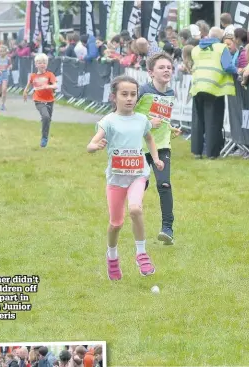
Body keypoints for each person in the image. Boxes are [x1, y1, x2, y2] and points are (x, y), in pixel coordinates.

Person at [87, 75, 164, 280]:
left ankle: (141, 254)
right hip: (116, 179)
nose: (129, 98)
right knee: (116, 224)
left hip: (138, 174)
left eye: (133, 94)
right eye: (124, 94)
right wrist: (95, 146)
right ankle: (112, 256)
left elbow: (149, 138)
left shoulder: (141, 119)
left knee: (136, 208)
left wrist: (155, 158)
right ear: (114, 97)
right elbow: (91, 144)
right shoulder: (108, 121)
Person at [134, 52, 182, 245]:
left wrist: (170, 128)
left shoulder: (170, 93)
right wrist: (147, 122)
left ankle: (167, 228)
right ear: (151, 72)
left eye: (169, 67)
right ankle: (129, 217)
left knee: (164, 184)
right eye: (161, 67)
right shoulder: (143, 91)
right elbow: (126, 114)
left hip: (162, 146)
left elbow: (161, 119)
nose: (166, 70)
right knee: (140, 185)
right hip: (140, 146)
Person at [189, 27, 237, 159]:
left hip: (197, 85)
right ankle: (212, 153)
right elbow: (227, 66)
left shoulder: (196, 49)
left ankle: (197, 152)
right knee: (213, 121)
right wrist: (239, 70)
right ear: (220, 38)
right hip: (214, 87)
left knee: (198, 121)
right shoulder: (221, 48)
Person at [23, 53, 57, 147]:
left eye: (44, 63)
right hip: (38, 100)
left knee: (47, 119)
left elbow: (55, 85)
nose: (42, 64)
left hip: (50, 100)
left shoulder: (50, 75)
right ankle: (44, 138)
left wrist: (48, 86)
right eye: (40, 63)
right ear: (36, 64)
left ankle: (44, 133)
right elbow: (29, 84)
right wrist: (25, 92)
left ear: (47, 64)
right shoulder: (33, 76)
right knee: (46, 117)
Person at [0, 45, 12, 111]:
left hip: (5, 75)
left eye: (3, 51)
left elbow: (10, 64)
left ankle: (2, 105)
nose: (2, 53)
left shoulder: (8, 58)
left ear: (6, 52)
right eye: (0, 51)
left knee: (4, 90)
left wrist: (10, 67)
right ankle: (1, 95)